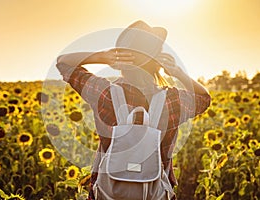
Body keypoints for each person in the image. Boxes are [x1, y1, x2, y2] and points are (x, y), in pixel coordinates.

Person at [56, 20, 211, 200]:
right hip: (155, 193)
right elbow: (204, 98)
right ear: (158, 63)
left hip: (108, 192)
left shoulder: (104, 93)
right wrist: (177, 72)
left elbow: (63, 62)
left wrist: (101, 56)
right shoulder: (173, 101)